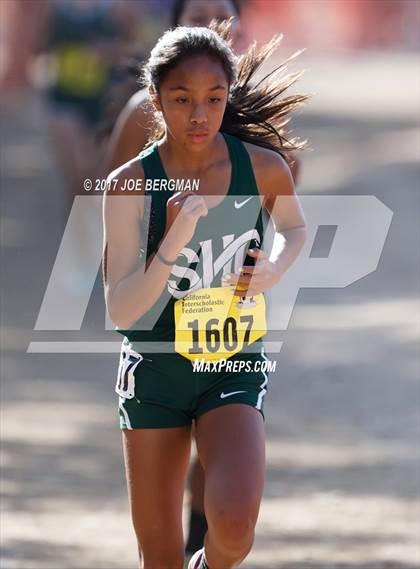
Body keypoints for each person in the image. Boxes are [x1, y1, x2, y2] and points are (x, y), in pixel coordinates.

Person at [102, 21, 307, 569]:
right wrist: (171, 244)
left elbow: (296, 228)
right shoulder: (130, 183)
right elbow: (120, 308)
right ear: (155, 99)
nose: (199, 114)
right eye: (182, 99)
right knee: (161, 558)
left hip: (232, 362)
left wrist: (276, 267)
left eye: (214, 99)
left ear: (228, 97)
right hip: (155, 371)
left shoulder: (262, 167)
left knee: (235, 529)